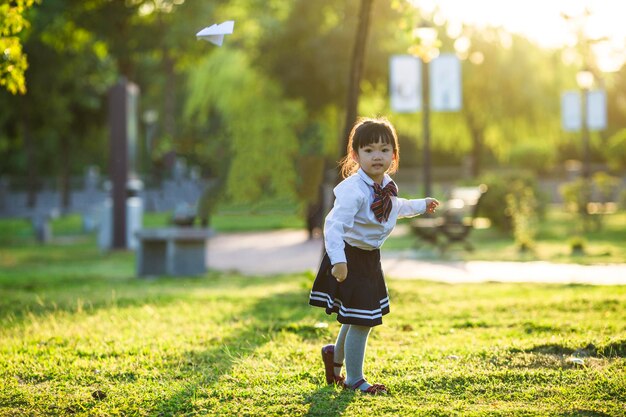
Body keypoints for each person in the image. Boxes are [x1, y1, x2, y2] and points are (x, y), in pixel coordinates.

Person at [308, 117, 439, 395]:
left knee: (355, 316)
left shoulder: (386, 186)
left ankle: (334, 358)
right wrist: (339, 261)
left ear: (394, 154)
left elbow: (396, 207)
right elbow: (333, 225)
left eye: (384, 149)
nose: (377, 156)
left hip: (369, 259)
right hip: (349, 257)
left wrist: (421, 205)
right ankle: (355, 378)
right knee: (362, 321)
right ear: (355, 155)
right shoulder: (354, 190)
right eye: (368, 150)